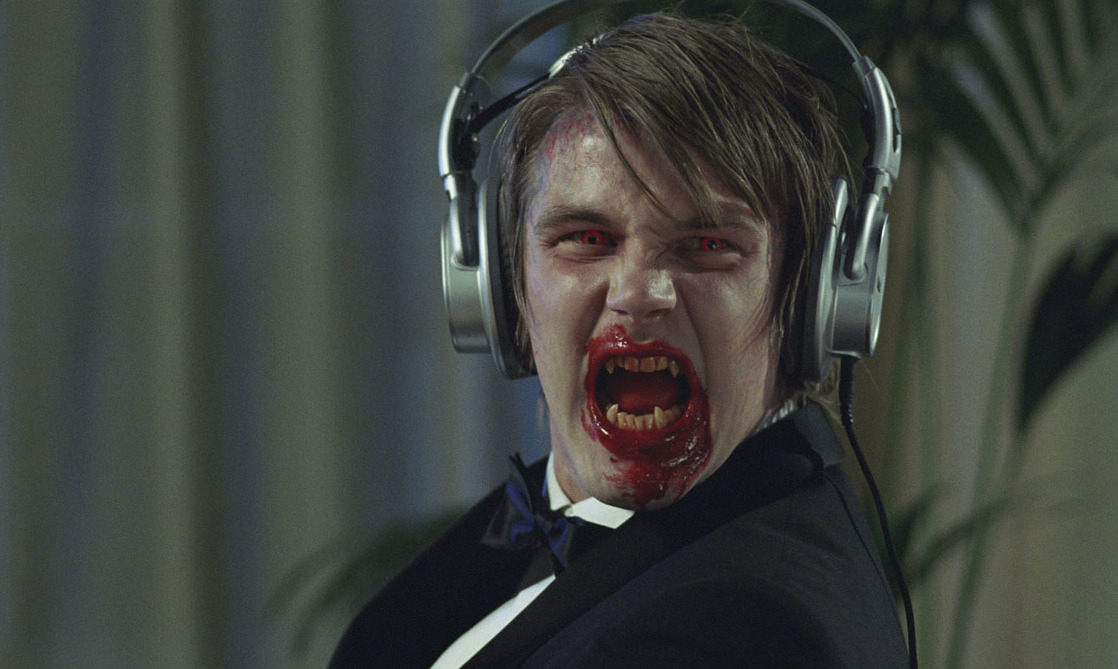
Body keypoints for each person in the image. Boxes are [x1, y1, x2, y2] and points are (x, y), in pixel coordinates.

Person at [330, 11, 908, 668]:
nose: (638, 292)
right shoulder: (536, 525)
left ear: (807, 298)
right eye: (586, 238)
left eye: (707, 245)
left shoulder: (749, 630)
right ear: (503, 286)